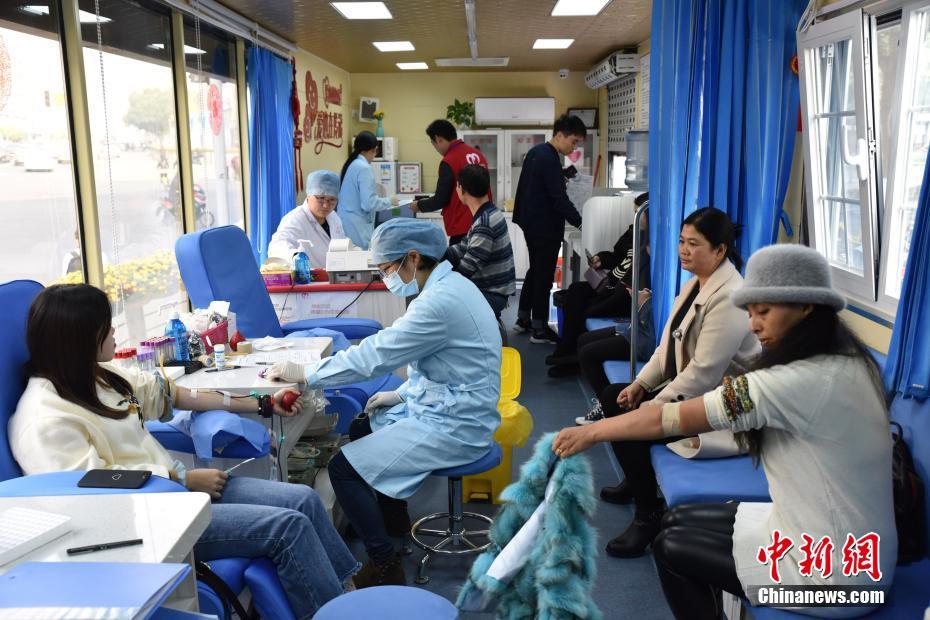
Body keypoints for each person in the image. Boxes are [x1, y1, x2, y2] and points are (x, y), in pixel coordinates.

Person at [552, 244, 895, 619]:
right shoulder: (847, 361)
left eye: (764, 311)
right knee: (675, 520)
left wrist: (593, 432)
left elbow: (671, 418)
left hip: (835, 582)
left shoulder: (794, 382)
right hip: (853, 550)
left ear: (805, 308)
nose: (754, 325)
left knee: (672, 548)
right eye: (751, 313)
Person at [9, 284, 359, 619]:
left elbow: (173, 395)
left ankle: (347, 595)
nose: (114, 331)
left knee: (303, 499)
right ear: (79, 337)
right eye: (105, 326)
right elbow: (89, 494)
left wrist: (262, 403)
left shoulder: (98, 377)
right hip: (148, 521)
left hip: (177, 493)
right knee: (287, 527)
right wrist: (181, 478)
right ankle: (331, 612)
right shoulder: (45, 419)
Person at [266, 219, 502, 588]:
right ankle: (393, 526)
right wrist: (402, 394)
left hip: (457, 425)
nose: (384, 277)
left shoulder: (438, 303)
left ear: (413, 258)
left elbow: (374, 357)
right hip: (450, 403)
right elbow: (443, 363)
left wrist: (305, 373)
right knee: (363, 425)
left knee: (343, 468)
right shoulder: (450, 285)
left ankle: (384, 563)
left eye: (386, 268)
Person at [590, 207, 760, 557]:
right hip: (696, 391)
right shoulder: (694, 284)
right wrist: (640, 385)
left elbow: (704, 373)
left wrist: (653, 408)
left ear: (720, 250)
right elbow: (666, 347)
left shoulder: (731, 297)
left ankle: (648, 514)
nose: (683, 250)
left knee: (635, 420)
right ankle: (637, 479)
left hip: (724, 408)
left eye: (694, 244)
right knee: (615, 397)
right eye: (682, 241)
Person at [546, 192, 651, 376]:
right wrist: (601, 259)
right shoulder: (633, 232)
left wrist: (596, 305)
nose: (634, 217)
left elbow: (630, 287)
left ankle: (572, 357)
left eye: (638, 213)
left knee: (582, 307)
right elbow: (617, 256)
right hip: (611, 285)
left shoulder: (650, 245)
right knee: (575, 290)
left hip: (621, 295)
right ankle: (566, 351)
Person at [512, 114, 586, 344]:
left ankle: (523, 319)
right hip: (544, 226)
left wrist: (559, 177)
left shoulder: (538, 152)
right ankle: (539, 329)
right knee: (544, 277)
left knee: (535, 271)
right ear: (561, 135)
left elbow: (539, 186)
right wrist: (581, 222)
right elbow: (558, 199)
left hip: (531, 222)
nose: (574, 147)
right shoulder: (548, 157)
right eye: (574, 141)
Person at [443, 164, 516, 317]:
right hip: (493, 289)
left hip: (491, 293)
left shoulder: (484, 222)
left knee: (442, 304)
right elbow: (465, 247)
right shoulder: (489, 212)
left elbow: (468, 267)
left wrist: (442, 280)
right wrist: (440, 254)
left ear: (462, 189)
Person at [410, 119, 491, 245]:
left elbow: (440, 199)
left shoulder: (449, 160)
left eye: (434, 144)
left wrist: (418, 205)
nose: (436, 149)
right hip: (485, 222)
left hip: (462, 229)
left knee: (460, 257)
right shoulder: (478, 155)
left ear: (439, 139)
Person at [269, 169, 346, 267]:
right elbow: (277, 246)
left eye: (332, 200)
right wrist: (295, 257)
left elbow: (340, 243)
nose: (326, 205)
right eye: (321, 198)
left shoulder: (334, 217)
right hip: (309, 275)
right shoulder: (295, 219)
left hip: (335, 273)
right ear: (309, 195)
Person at [338, 131, 398, 249]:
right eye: (375, 151)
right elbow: (368, 204)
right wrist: (389, 201)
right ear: (373, 150)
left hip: (348, 222)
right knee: (360, 257)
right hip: (357, 225)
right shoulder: (364, 168)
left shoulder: (353, 164)